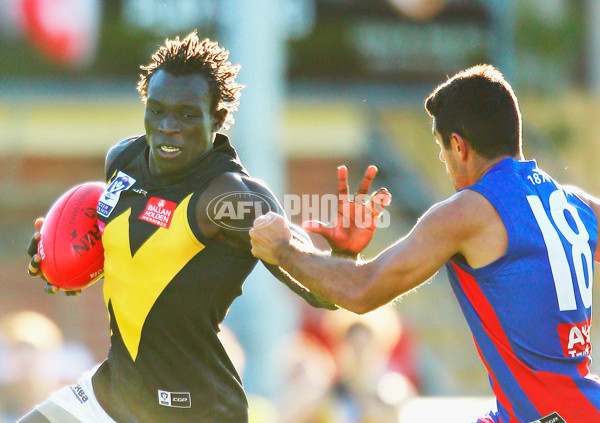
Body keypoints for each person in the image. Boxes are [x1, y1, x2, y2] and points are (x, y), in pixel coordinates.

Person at [22, 31, 391, 423]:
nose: (167, 127)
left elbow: (324, 296)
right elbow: (135, 253)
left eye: (186, 114)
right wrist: (60, 255)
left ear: (217, 118)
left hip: (194, 409)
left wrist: (342, 256)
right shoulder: (123, 160)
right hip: (112, 394)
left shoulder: (234, 200)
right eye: (157, 109)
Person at [249, 64, 600, 423]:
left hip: (547, 416)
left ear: (458, 146)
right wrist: (343, 257)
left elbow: (363, 290)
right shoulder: (575, 203)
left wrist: (282, 249)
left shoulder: (469, 210)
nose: (443, 160)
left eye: (440, 148)